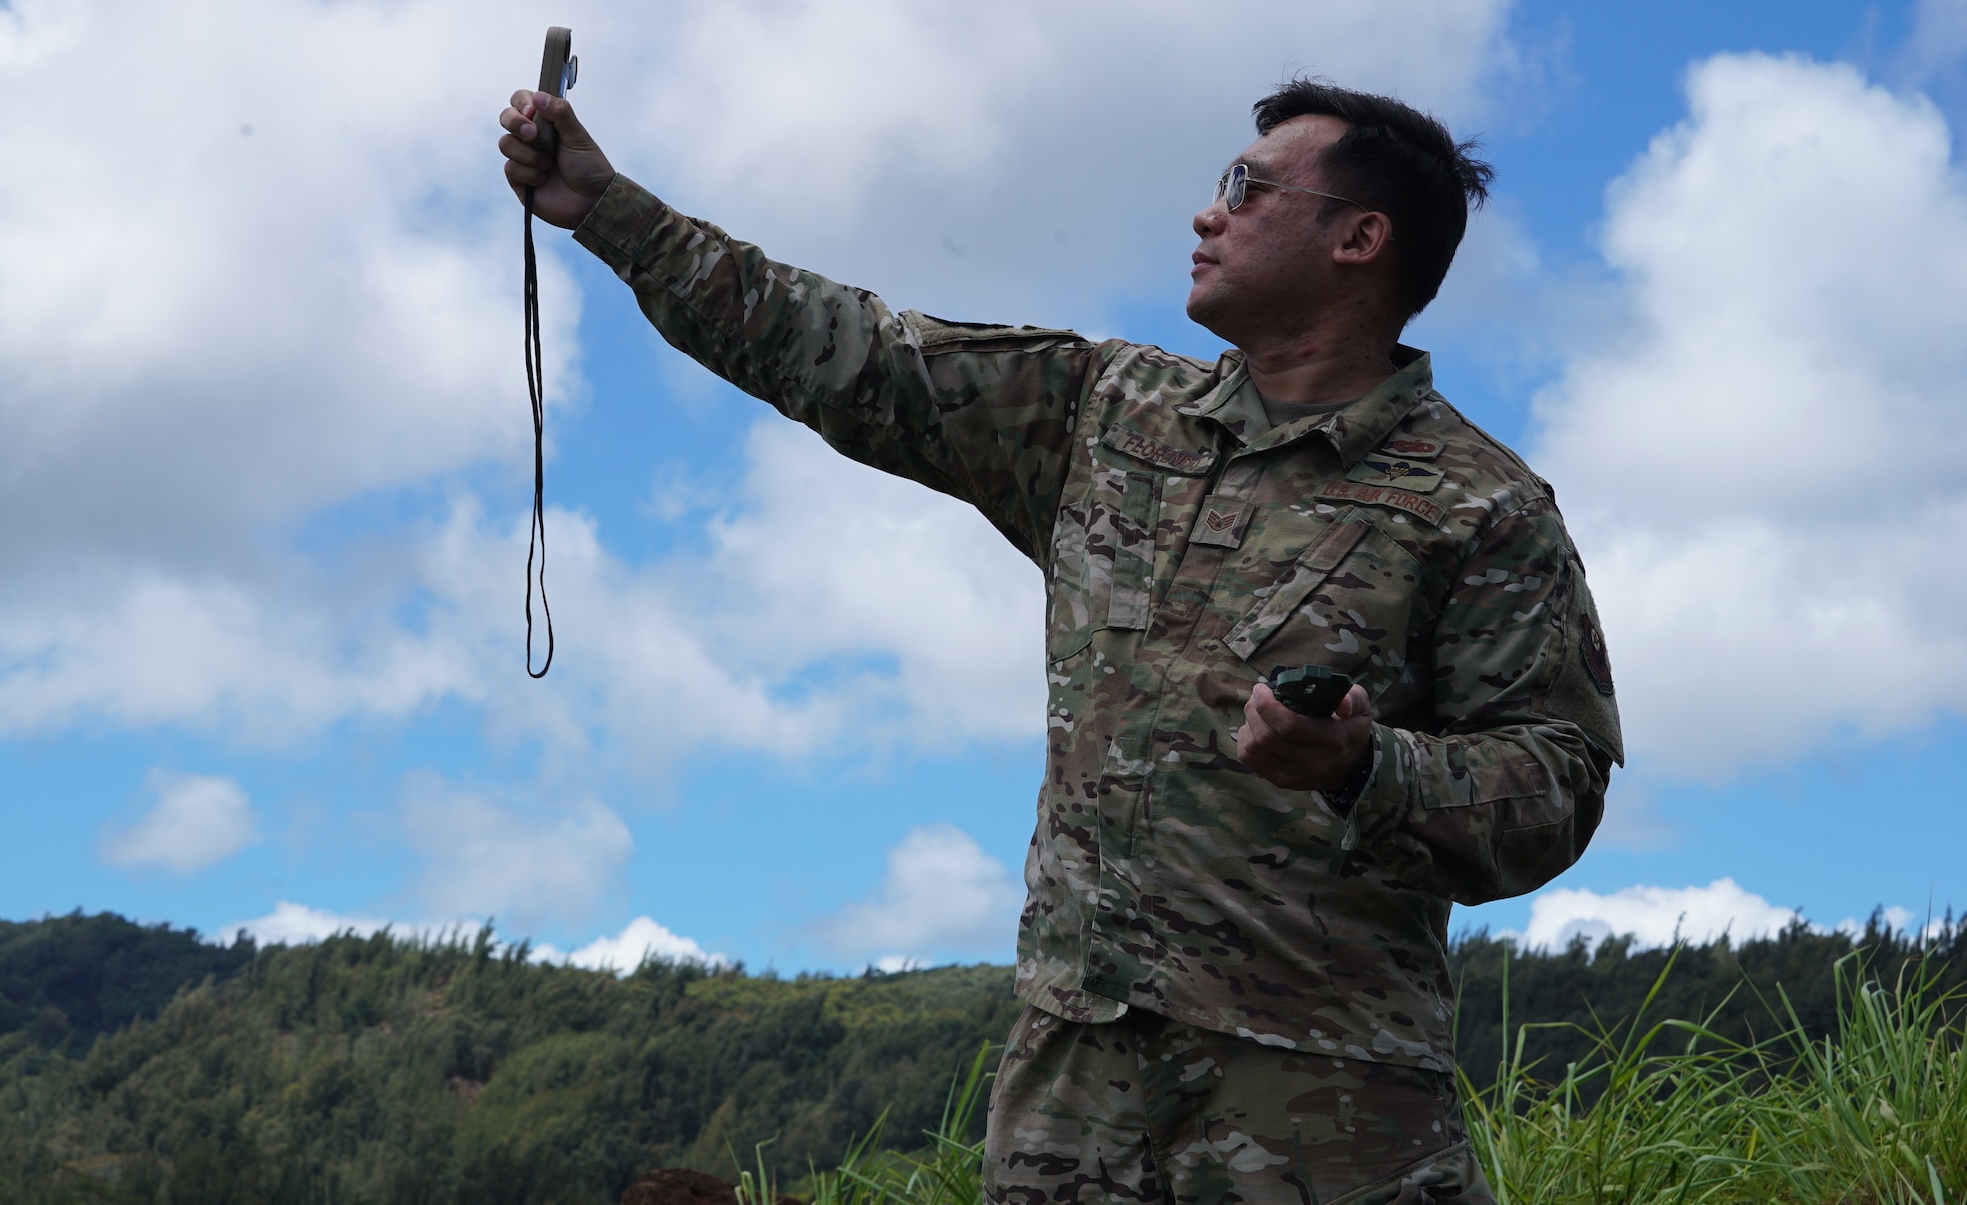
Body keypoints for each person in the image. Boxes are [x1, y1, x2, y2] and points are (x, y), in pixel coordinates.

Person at [498, 77, 1622, 1205]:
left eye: (1246, 185)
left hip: (1328, 1106)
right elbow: (846, 352)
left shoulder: (1480, 506)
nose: (1205, 212)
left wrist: (1367, 768)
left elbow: (1554, 782)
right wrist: (607, 209)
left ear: (1358, 238)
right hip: (1073, 1099)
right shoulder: (1104, 411)